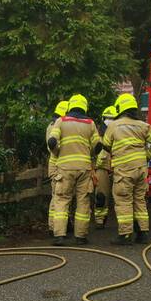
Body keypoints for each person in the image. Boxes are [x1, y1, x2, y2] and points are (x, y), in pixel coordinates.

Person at [103, 93, 151, 244]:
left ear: (120, 108)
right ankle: (143, 233)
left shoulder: (114, 125)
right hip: (141, 169)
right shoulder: (143, 125)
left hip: (124, 170)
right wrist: (148, 156)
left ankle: (126, 234)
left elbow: (106, 146)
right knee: (139, 200)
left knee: (123, 200)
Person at [46, 94, 102, 245]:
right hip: (84, 168)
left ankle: (59, 236)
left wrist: (57, 152)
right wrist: (89, 155)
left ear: (70, 106)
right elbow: (98, 146)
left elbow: (52, 142)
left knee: (62, 200)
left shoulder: (61, 121)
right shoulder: (90, 123)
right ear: (84, 106)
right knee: (83, 201)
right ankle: (81, 236)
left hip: (64, 168)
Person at [46, 100, 69, 230]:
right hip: (57, 164)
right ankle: (53, 226)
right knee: (57, 196)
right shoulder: (56, 126)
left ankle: (59, 225)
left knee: (60, 196)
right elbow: (54, 148)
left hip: (57, 164)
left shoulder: (52, 125)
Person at [94, 106, 119, 228]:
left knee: (122, 195)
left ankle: (125, 222)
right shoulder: (97, 134)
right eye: (108, 118)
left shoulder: (121, 134)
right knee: (100, 196)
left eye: (113, 118)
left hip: (119, 167)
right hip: (102, 168)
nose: (110, 121)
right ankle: (100, 219)